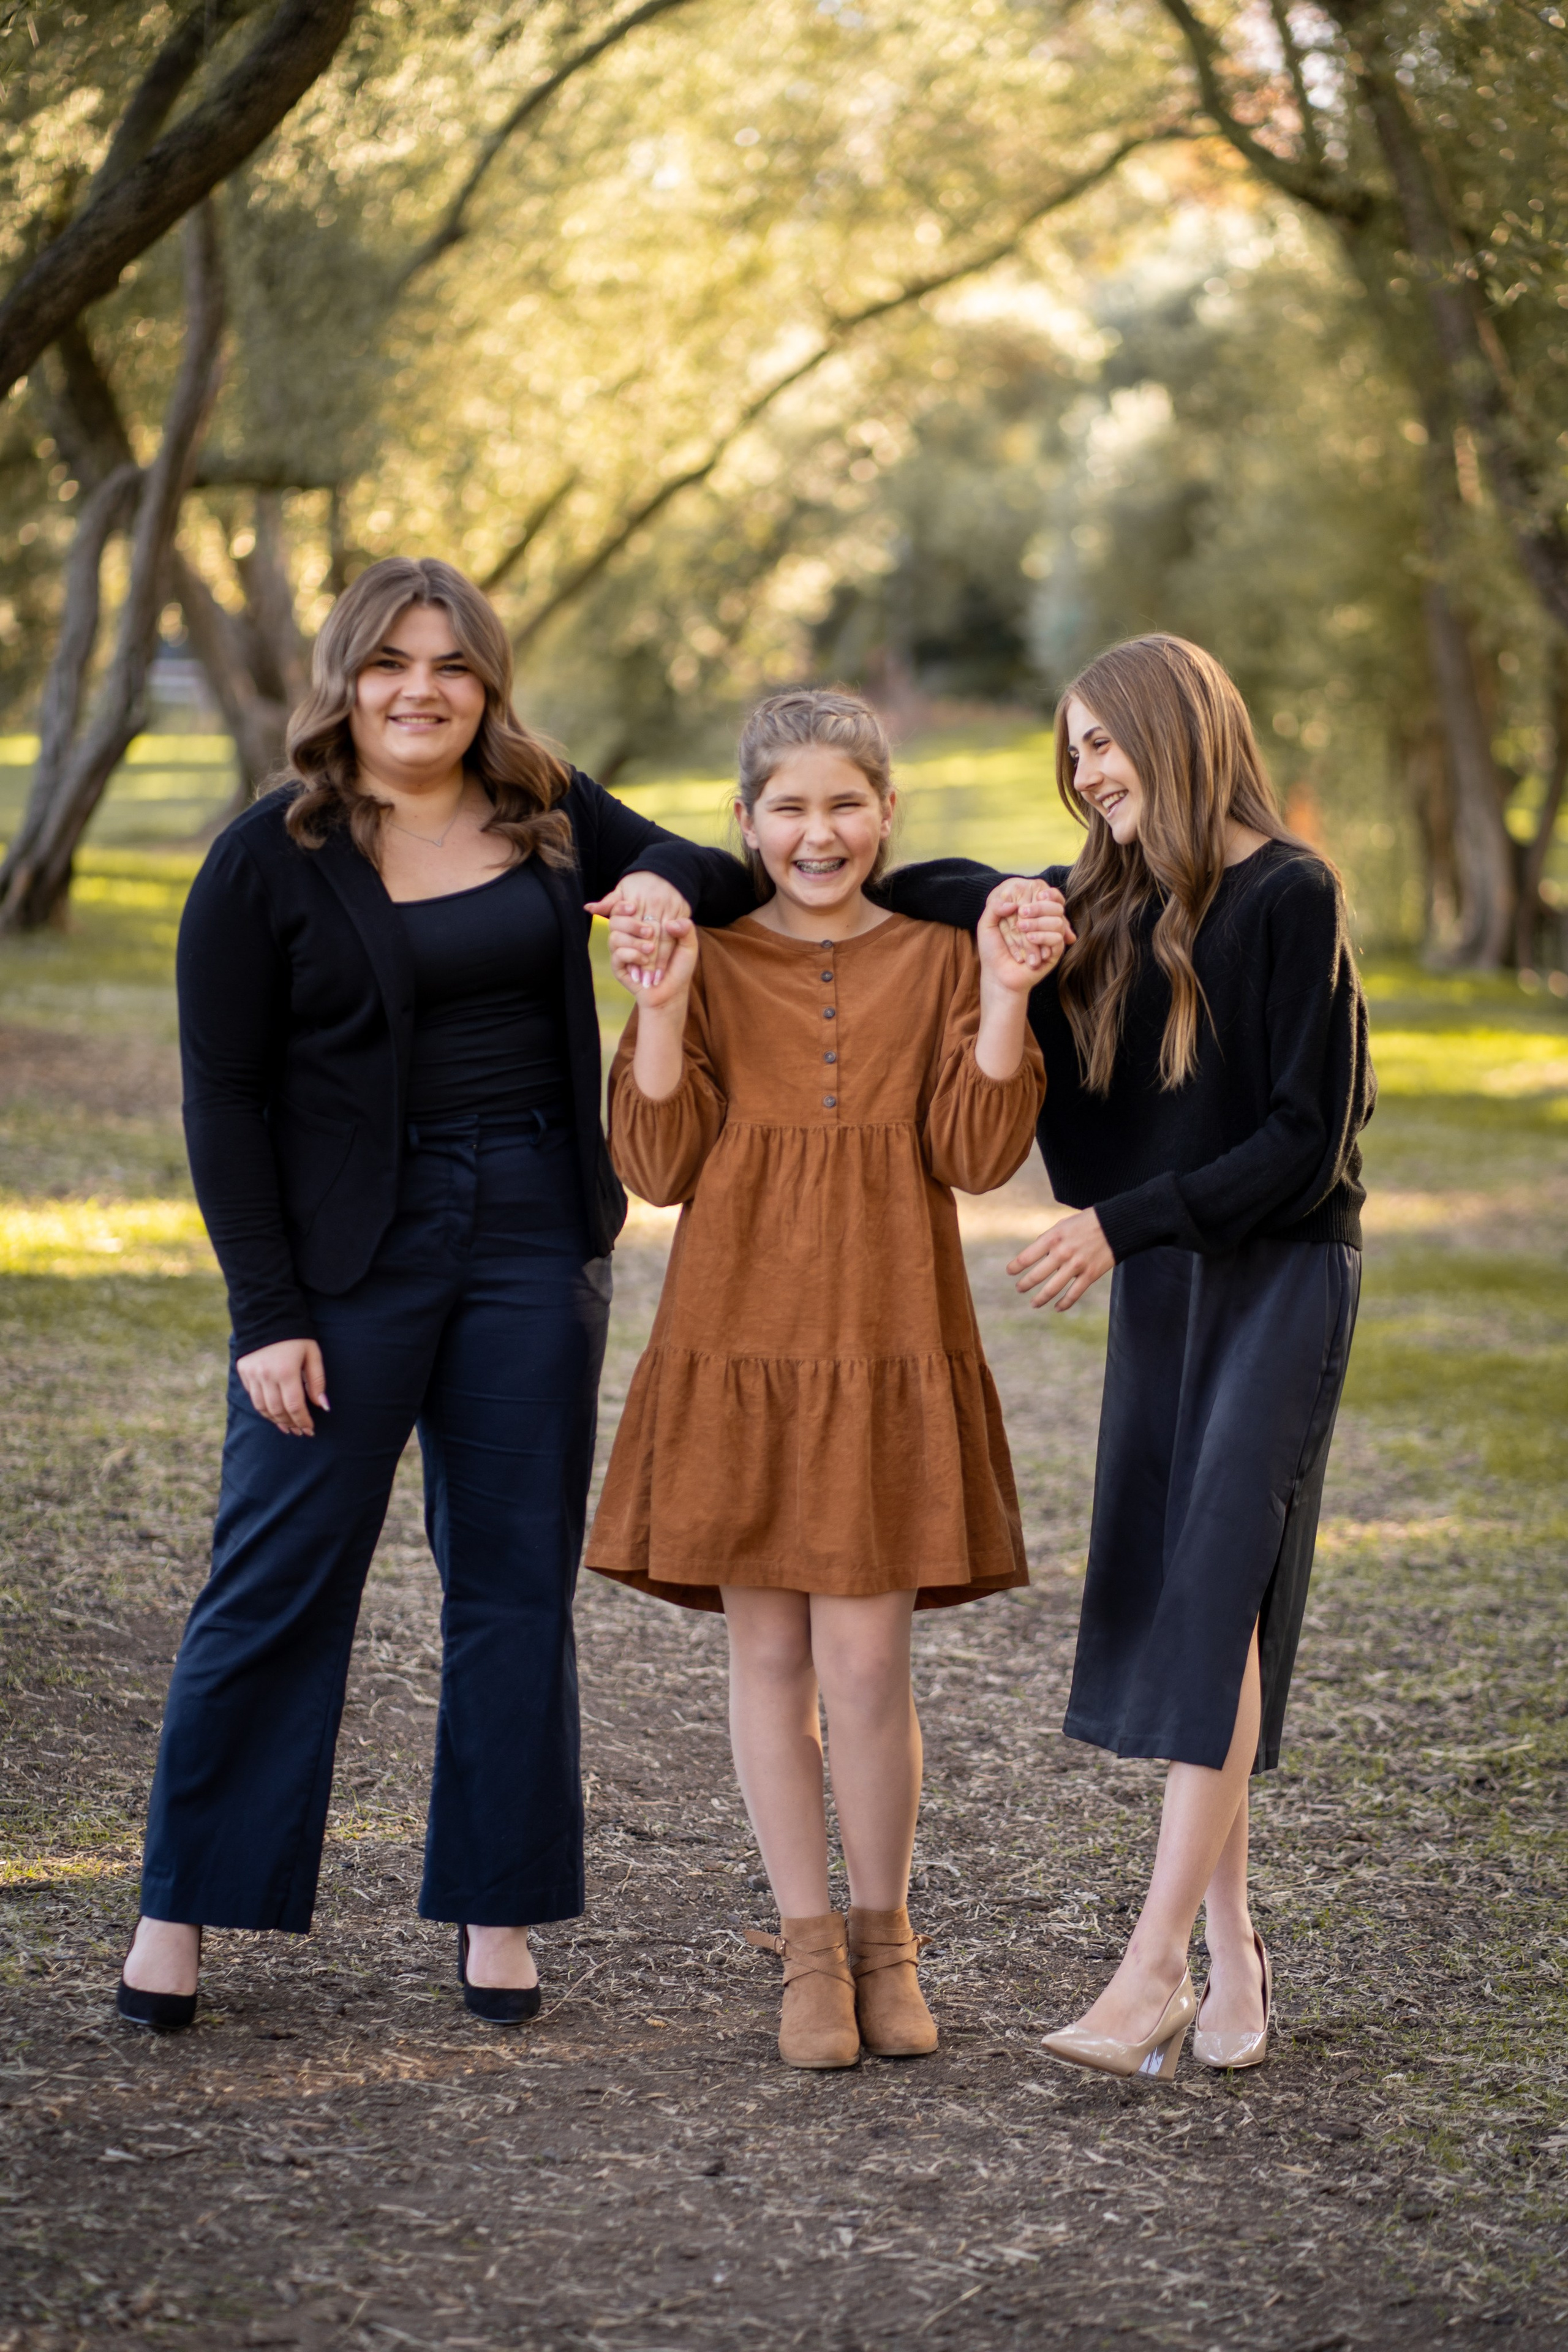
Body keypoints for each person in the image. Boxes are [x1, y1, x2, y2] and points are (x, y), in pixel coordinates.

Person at [116, 556, 755, 2033]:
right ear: (344, 678)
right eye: (392, 661)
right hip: (348, 1260)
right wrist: (264, 1315)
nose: (422, 690)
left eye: (452, 665)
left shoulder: (545, 811)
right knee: (274, 1581)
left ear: (487, 684)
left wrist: (652, 876)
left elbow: (711, 872)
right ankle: (179, 1908)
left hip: (534, 1232)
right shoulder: (263, 858)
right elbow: (223, 1099)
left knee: (514, 1587)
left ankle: (497, 1906)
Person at [878, 635, 1373, 2079]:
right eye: (1073, 749)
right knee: (1182, 1605)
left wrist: (1118, 1227)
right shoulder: (1096, 910)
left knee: (1214, 1596)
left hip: (1277, 1275)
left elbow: (1304, 1137)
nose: (1088, 771)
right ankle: (1229, 1951)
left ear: (1181, 728)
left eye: (1107, 741)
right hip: (1167, 1286)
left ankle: (1150, 1966)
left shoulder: (1289, 892)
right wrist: (1010, 971)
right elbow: (942, 897)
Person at [585, 689, 1055, 2070]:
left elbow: (975, 1154)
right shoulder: (705, 954)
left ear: (887, 814)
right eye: (786, 808)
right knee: (770, 1657)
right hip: (737, 1339)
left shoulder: (936, 953)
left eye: (845, 804)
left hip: (884, 1340)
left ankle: (882, 1938)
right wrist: (663, 1013)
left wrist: (1008, 996)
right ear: (743, 824)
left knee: (865, 1663)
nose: (817, 832)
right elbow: (655, 1168)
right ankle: (802, 1952)